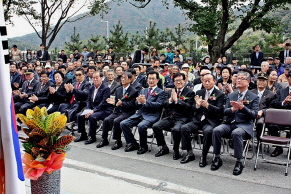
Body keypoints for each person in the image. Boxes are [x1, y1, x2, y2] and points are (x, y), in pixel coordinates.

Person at [211, 71, 259, 175]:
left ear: (249, 82)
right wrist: (232, 109)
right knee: (216, 130)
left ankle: (239, 161)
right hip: (230, 123)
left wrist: (242, 107)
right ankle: (217, 157)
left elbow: (254, 115)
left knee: (236, 133)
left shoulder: (254, 97)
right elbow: (224, 112)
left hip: (244, 125)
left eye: (242, 78)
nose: (239, 80)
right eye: (237, 78)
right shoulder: (231, 95)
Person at [180, 74, 225, 166]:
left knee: (208, 131)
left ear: (214, 81)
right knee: (184, 128)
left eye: (209, 81)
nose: (207, 83)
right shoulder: (199, 92)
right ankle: (189, 153)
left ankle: (204, 156)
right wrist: (197, 105)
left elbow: (220, 110)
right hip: (198, 119)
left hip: (210, 120)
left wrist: (208, 105)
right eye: (205, 81)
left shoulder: (220, 94)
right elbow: (193, 108)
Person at [120, 71, 166, 154]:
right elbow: (136, 104)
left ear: (157, 80)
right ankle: (133, 143)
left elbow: (158, 105)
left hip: (151, 115)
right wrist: (138, 101)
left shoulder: (161, 92)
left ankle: (143, 146)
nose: (151, 81)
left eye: (153, 79)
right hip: (140, 113)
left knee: (141, 126)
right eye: (149, 79)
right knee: (123, 123)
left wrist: (145, 102)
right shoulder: (143, 90)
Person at [152, 72, 195, 159]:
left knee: (176, 129)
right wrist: (170, 100)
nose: (178, 82)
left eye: (180, 80)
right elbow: (164, 104)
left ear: (185, 81)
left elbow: (189, 107)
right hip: (170, 117)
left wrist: (178, 101)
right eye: (176, 81)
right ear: (173, 82)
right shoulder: (169, 91)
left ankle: (176, 150)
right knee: (156, 126)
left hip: (183, 117)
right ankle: (163, 147)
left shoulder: (190, 93)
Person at [97, 72, 139, 150]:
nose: (122, 79)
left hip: (127, 112)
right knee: (106, 120)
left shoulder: (133, 91)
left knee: (116, 121)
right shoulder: (118, 89)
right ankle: (104, 139)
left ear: (130, 80)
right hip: (118, 111)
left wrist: (122, 103)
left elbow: (133, 104)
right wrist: (113, 103)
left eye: (125, 78)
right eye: (122, 78)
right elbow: (116, 102)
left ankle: (118, 140)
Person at [74, 71, 113, 145]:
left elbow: (103, 103)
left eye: (97, 78)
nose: (95, 80)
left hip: (104, 110)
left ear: (101, 78)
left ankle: (92, 136)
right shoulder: (92, 87)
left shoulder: (106, 88)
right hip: (92, 109)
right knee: (80, 115)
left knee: (92, 116)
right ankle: (83, 134)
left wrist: (93, 111)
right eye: (93, 78)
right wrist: (88, 109)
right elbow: (88, 100)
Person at [250, 72, 276, 150]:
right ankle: (243, 143)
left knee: (260, 123)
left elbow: (271, 108)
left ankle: (259, 142)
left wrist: (262, 111)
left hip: (263, 115)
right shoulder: (251, 92)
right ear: (256, 81)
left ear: (267, 82)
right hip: (251, 113)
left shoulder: (271, 94)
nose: (261, 82)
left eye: (263, 80)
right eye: (259, 80)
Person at [270, 69, 291, 157]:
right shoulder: (281, 91)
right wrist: (283, 102)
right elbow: (273, 103)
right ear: (288, 78)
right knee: (271, 125)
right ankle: (278, 147)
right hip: (281, 118)